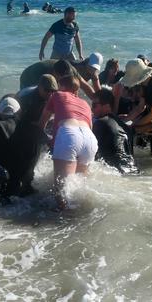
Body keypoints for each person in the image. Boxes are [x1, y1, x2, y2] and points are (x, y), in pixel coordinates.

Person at [39, 75, 97, 209]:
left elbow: (42, 123)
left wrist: (46, 141)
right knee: (79, 185)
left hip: (69, 134)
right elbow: (89, 128)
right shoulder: (85, 104)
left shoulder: (57, 95)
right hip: (89, 139)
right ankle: (81, 215)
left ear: (62, 86)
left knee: (61, 189)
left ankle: (64, 221)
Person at [10, 74, 58, 195]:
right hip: (22, 124)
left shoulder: (53, 96)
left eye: (53, 91)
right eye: (47, 90)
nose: (50, 94)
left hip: (40, 124)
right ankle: (23, 184)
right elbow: (15, 118)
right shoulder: (26, 97)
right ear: (39, 87)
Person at [91, 89, 138, 174]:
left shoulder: (100, 123)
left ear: (106, 106)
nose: (91, 109)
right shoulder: (125, 126)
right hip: (133, 170)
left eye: (94, 105)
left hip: (117, 172)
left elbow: (91, 152)